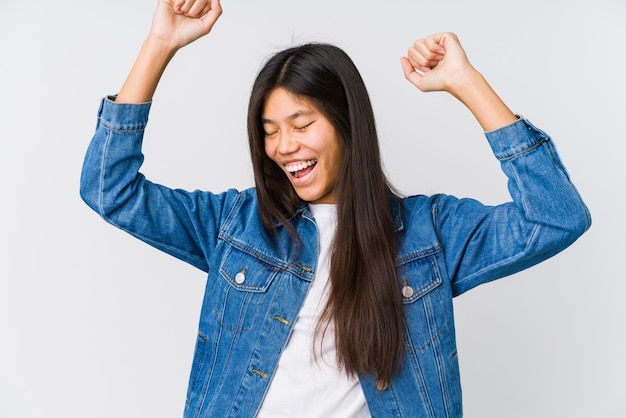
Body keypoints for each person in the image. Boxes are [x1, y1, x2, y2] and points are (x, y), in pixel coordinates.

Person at [80, 0, 591, 416]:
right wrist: (159, 46)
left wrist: (466, 83)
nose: (283, 146)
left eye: (302, 125)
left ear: (348, 125)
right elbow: (110, 189)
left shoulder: (427, 233)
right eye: (269, 131)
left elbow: (556, 217)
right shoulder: (234, 226)